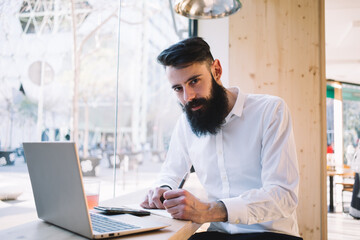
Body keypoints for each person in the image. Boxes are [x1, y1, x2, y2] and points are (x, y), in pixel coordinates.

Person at [140, 37, 302, 240]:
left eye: (194, 81)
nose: (187, 97)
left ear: (216, 70)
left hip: (270, 233)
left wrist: (209, 210)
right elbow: (170, 173)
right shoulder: (186, 123)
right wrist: (163, 190)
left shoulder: (270, 111)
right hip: (219, 232)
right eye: (178, 88)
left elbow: (283, 195)